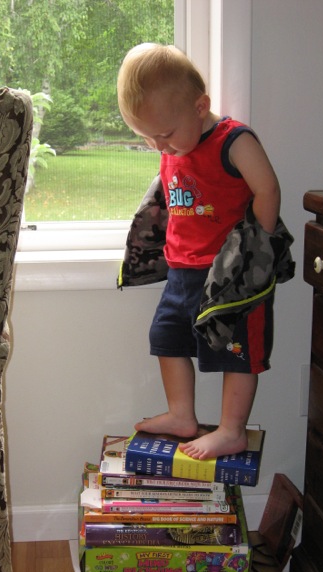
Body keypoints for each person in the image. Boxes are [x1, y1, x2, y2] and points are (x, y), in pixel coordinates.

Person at [117, 43, 281, 461]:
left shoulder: (233, 140)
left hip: (229, 278)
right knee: (165, 340)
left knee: (236, 354)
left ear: (200, 106)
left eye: (165, 135)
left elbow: (266, 188)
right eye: (147, 137)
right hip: (182, 273)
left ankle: (231, 430)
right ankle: (181, 414)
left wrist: (255, 251)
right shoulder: (174, 147)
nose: (158, 146)